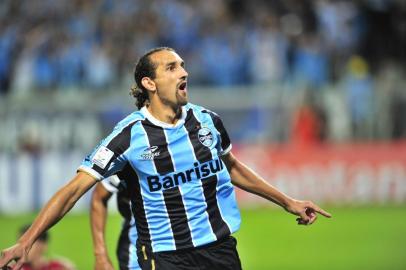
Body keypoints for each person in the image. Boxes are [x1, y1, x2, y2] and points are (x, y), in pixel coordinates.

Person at [0, 47, 331, 270]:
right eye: (171, 67)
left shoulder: (207, 121)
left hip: (220, 249)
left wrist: (287, 201)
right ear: (149, 83)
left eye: (183, 65)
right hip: (165, 257)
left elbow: (231, 168)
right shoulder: (127, 136)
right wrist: (26, 243)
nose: (183, 72)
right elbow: (74, 190)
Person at [90, 176, 140, 270]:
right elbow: (98, 197)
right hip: (135, 251)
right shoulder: (127, 163)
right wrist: (101, 256)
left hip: (174, 248)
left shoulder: (176, 164)